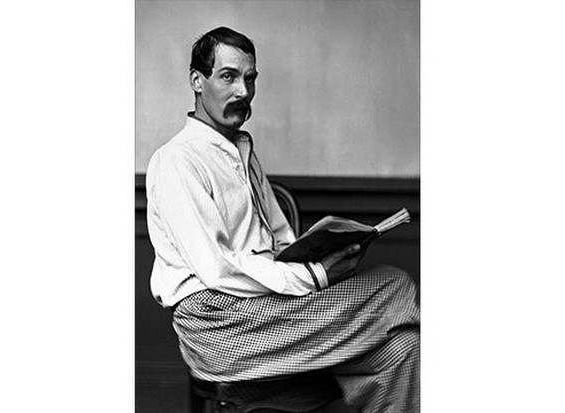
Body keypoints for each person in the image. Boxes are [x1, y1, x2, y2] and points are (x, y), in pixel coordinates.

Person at [146, 26, 420, 412]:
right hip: (217, 324)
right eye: (228, 77)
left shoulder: (243, 152)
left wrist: (322, 254)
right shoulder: (176, 160)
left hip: (271, 312)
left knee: (404, 347)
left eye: (250, 78)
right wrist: (315, 276)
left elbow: (281, 240)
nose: (243, 91)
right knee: (394, 284)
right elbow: (217, 270)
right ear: (197, 80)